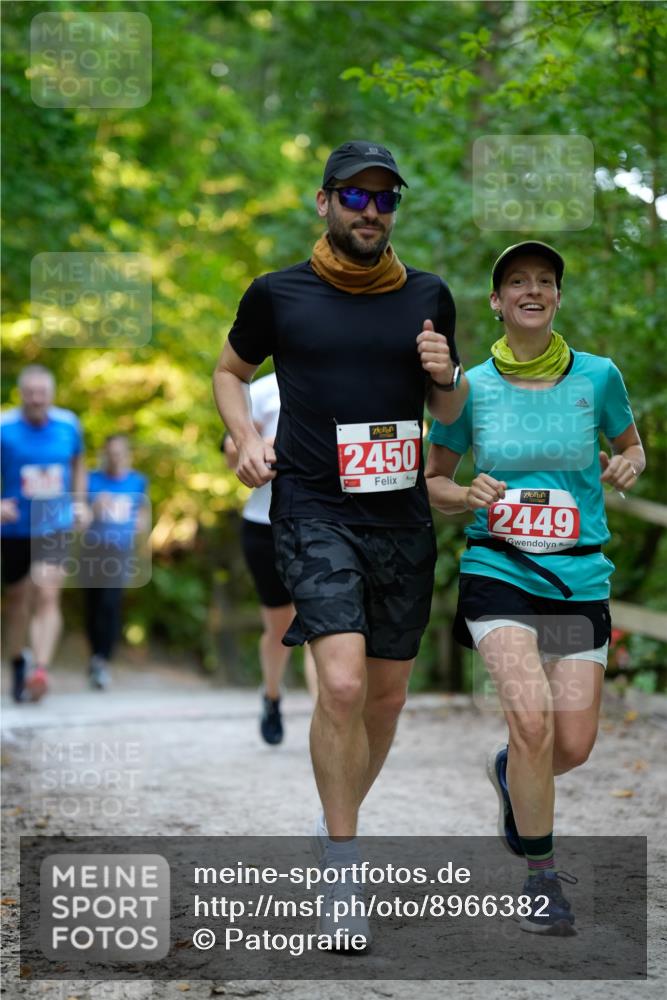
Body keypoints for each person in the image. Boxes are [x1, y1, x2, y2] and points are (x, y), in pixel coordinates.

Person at [213, 139, 468, 944]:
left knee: (387, 696)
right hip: (311, 511)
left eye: (383, 199)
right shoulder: (276, 294)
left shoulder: (427, 295)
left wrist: (446, 375)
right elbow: (227, 371)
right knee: (345, 687)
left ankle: (336, 827)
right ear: (322, 202)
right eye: (353, 196)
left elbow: (453, 420)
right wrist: (246, 437)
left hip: (399, 521)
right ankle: (343, 870)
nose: (369, 211)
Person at [425, 241, 645, 936]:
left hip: (578, 576)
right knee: (531, 720)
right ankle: (540, 880)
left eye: (543, 281)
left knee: (570, 745)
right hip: (500, 571)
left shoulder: (598, 377)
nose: (531, 289)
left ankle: (510, 771)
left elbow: (632, 445)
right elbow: (433, 482)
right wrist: (467, 494)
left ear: (555, 297)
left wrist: (627, 463)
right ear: (495, 301)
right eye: (515, 281)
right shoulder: (469, 391)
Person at [222, 371, 317, 745]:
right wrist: (266, 446)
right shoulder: (262, 390)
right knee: (279, 627)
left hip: (322, 520)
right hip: (265, 524)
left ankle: (327, 719)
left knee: (322, 624)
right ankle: (272, 696)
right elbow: (231, 448)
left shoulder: (338, 377)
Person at [1, 365, 89, 701]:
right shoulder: (4, 426)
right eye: (31, 393)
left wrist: (80, 503)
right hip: (15, 527)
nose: (37, 399)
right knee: (17, 600)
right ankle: (17, 663)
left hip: (55, 523)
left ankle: (40, 670)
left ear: (51, 395)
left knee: (47, 592)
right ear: (21, 394)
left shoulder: (68, 424)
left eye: (43, 393)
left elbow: (79, 463)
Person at [82, 435, 149, 690]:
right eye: (111, 453)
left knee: (111, 604)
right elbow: (80, 519)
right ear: (104, 454)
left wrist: (140, 526)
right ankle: (94, 656)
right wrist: (94, 509)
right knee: (93, 605)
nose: (115, 457)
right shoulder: (90, 480)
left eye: (120, 453)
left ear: (127, 453)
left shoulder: (137, 481)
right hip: (92, 550)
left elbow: (142, 513)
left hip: (119, 552)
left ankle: (103, 660)